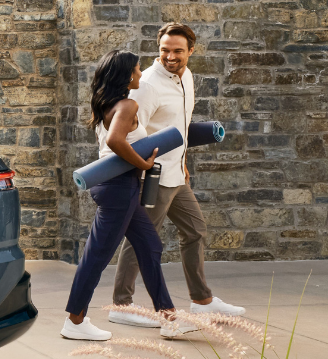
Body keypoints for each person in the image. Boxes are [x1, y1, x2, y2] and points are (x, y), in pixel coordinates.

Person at [106, 22, 245, 329]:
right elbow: (130, 132)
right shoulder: (148, 85)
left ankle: (201, 301)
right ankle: (120, 304)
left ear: (191, 51)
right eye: (164, 50)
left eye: (177, 51)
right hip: (152, 177)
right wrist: (139, 173)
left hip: (176, 174)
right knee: (142, 240)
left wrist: (182, 161)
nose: (170, 57)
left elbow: (180, 125)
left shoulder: (187, 77)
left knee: (195, 230)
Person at [62, 50, 199, 341]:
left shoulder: (107, 103)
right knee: (97, 256)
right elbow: (114, 142)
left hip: (117, 186)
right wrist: (144, 164)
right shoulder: (127, 105)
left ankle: (169, 317)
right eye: (137, 70)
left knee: (150, 246)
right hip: (118, 188)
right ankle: (74, 321)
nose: (140, 75)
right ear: (126, 76)